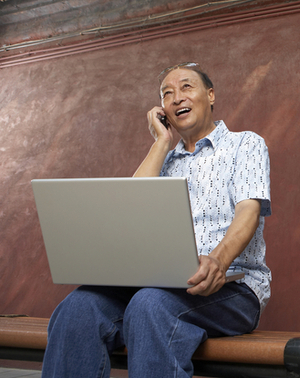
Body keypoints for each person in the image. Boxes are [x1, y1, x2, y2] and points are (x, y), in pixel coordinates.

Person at [42, 62, 272, 378]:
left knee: (149, 305)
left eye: (187, 87)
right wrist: (161, 142)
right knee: (77, 308)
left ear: (211, 95)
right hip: (158, 287)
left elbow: (249, 211)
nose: (177, 97)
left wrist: (218, 262)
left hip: (233, 285)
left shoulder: (245, 144)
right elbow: (128, 212)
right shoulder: (164, 159)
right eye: (167, 93)